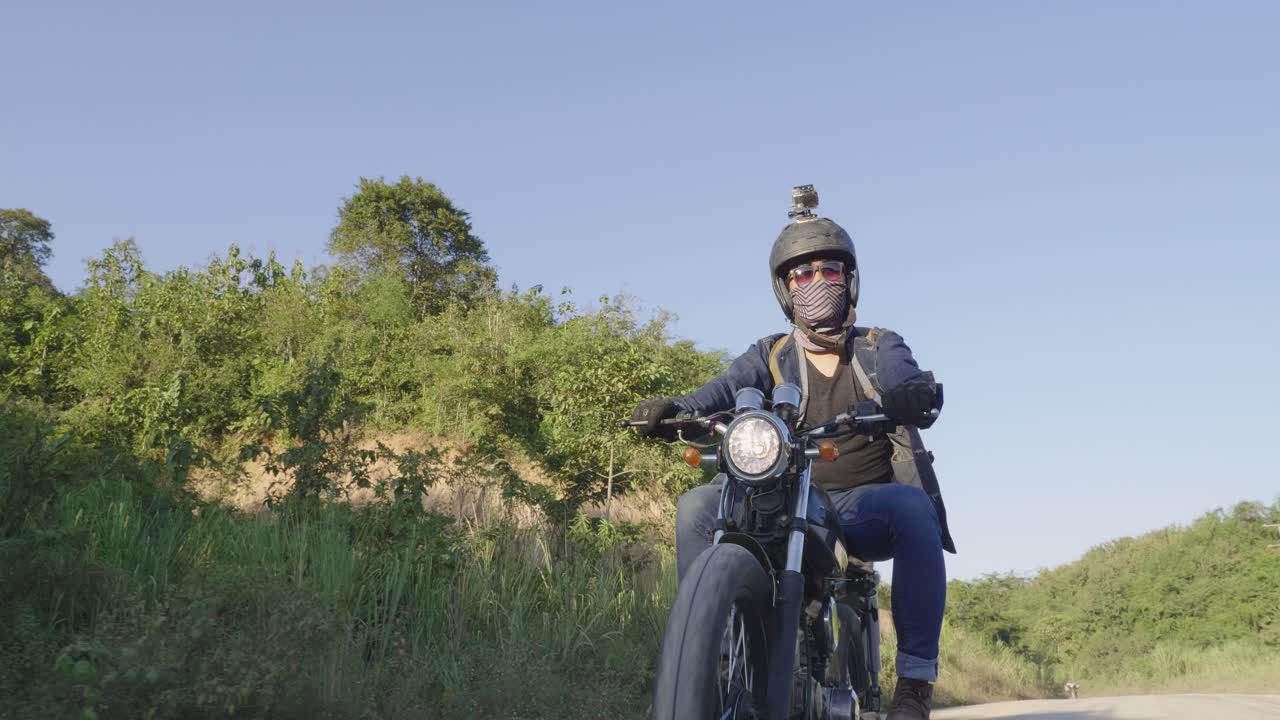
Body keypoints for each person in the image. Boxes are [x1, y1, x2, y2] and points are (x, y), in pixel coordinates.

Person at [631, 206, 954, 720]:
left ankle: (915, 683)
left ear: (849, 281)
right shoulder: (769, 354)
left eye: (829, 270)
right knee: (696, 505)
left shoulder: (878, 347)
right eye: (802, 274)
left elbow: (902, 377)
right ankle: (704, 657)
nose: (816, 282)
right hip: (779, 498)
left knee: (914, 510)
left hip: (858, 506)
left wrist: (910, 393)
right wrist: (675, 410)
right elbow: (717, 393)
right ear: (786, 289)